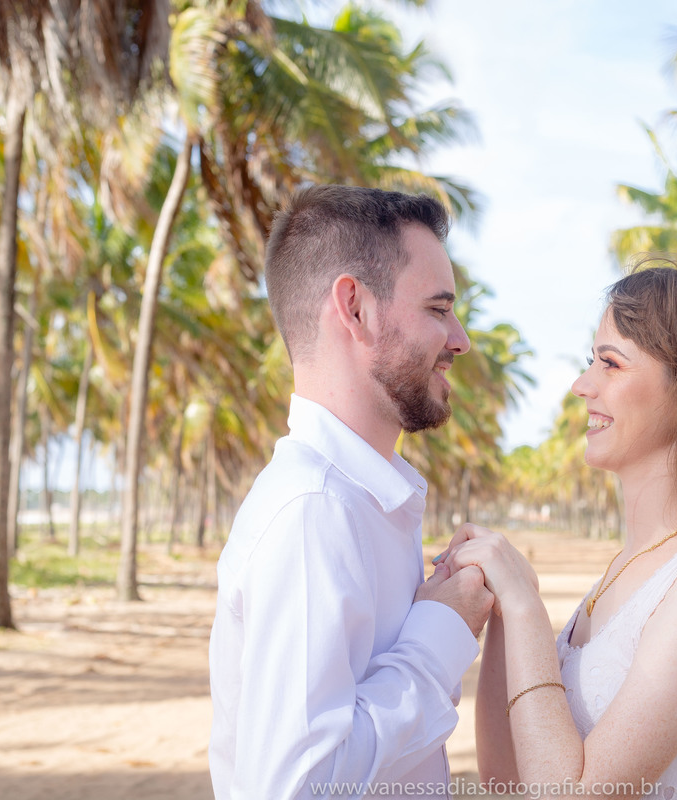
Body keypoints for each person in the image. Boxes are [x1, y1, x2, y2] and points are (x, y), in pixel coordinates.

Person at [436, 264, 677, 798]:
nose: (581, 385)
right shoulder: (627, 571)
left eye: (610, 364)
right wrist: (504, 606)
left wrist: (525, 610)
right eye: (590, 361)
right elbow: (507, 781)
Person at [208, 185, 495, 800]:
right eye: (439, 309)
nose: (460, 339)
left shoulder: (358, 502)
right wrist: (440, 633)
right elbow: (298, 787)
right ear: (356, 307)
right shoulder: (315, 511)